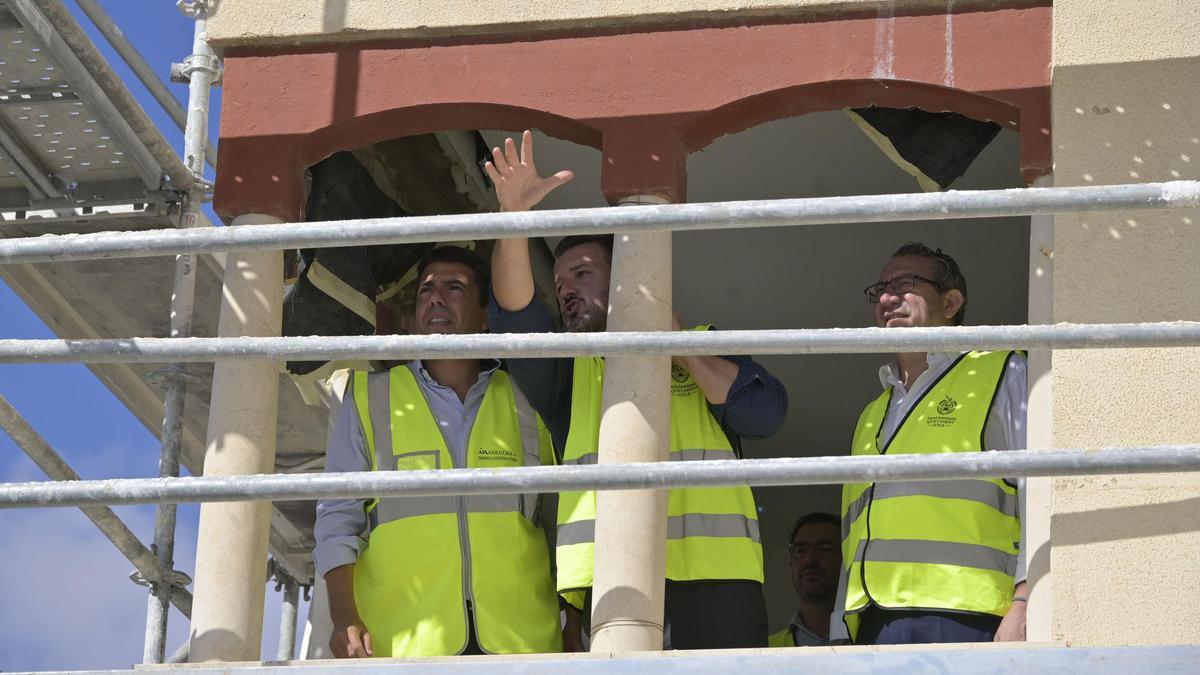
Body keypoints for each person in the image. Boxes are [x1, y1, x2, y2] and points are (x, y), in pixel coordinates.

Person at [484, 131, 789, 651]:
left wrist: (677, 349)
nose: (567, 292)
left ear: (624, 275)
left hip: (715, 585)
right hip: (607, 588)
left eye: (582, 275)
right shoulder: (568, 373)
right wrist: (514, 217)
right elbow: (515, 316)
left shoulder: (706, 347)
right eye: (560, 286)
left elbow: (765, 415)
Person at [312, 245, 562, 658]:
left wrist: (572, 625)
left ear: (485, 317)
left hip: (522, 645)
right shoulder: (368, 398)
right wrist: (344, 616)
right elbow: (337, 521)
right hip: (407, 647)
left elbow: (557, 520)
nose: (435, 297)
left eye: (455, 287)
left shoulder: (525, 398)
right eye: (426, 290)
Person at [834, 242, 1028, 645]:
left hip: (965, 616)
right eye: (879, 290)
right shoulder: (871, 413)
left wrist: (1026, 600)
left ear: (952, 301)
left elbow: (1041, 490)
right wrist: (840, 626)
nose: (887, 298)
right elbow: (853, 532)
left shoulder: (1001, 369)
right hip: (871, 622)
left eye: (905, 283)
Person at [769, 512, 843, 647]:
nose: (809, 559)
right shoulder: (767, 650)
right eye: (801, 550)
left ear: (846, 559)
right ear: (791, 561)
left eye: (825, 549)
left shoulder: (874, 643)